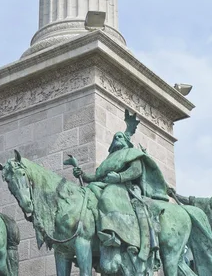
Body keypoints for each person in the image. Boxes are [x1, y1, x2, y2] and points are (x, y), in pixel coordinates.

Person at [72, 112, 168, 262]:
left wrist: (120, 177)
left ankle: (113, 234)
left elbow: (136, 170)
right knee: (89, 193)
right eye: (115, 137)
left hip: (124, 187)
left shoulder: (130, 153)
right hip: (103, 184)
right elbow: (96, 177)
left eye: (120, 137)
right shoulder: (108, 160)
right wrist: (82, 174)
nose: (117, 138)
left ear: (125, 141)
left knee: (108, 197)